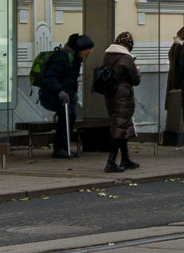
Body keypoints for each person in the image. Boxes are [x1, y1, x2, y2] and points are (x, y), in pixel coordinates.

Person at [38, 34, 94, 158]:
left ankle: (64, 147)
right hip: (53, 94)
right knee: (66, 115)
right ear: (81, 48)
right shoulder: (63, 57)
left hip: (65, 94)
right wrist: (59, 91)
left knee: (70, 116)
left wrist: (73, 92)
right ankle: (59, 148)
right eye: (88, 48)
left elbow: (72, 78)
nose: (91, 51)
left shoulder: (76, 58)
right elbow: (50, 76)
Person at [102, 32, 142, 173]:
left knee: (121, 125)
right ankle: (111, 162)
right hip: (122, 96)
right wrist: (138, 71)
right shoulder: (126, 58)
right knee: (119, 128)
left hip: (111, 96)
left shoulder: (108, 55)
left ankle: (125, 159)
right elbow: (135, 80)